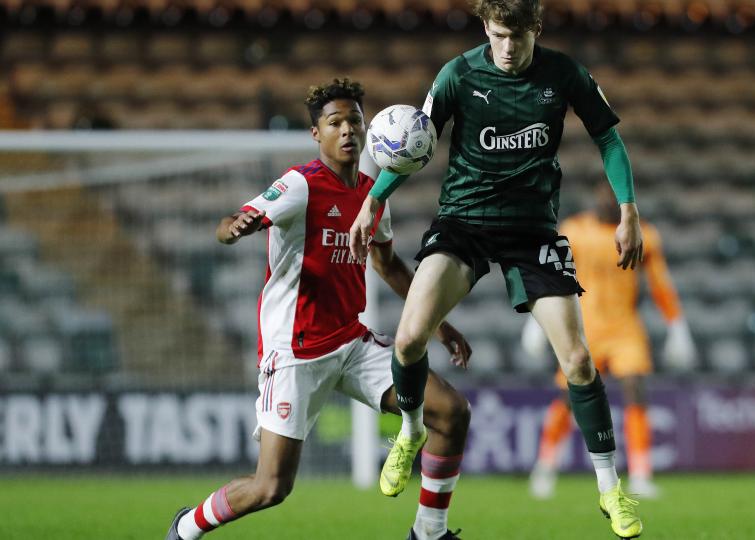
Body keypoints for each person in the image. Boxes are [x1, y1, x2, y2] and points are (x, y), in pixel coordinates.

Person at [349, 1, 644, 537]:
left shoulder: (564, 73)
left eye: (516, 36)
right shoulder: (458, 73)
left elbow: (607, 137)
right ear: (486, 27)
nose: (506, 48)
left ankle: (611, 490)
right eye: (497, 34)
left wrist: (628, 209)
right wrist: (372, 199)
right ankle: (411, 433)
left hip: (533, 232)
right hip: (464, 223)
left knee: (578, 361)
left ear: (535, 28)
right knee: (410, 338)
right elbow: (416, 143)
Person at [165, 79, 471, 540]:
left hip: (350, 340)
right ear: (317, 135)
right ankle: (187, 526)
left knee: (450, 411)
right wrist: (236, 228)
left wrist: (438, 325)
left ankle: (429, 532)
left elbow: (387, 264)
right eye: (335, 123)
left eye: (354, 121)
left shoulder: (372, 194)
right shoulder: (299, 185)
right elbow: (225, 226)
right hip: (296, 350)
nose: (347, 130)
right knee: (271, 487)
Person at [526, 177, 697, 500]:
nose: (609, 200)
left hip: (624, 326)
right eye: (605, 193)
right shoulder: (575, 230)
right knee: (570, 397)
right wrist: (536, 321)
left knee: (635, 386)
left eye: (617, 196)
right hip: (583, 325)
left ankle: (642, 474)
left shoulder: (642, 234)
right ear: (596, 195)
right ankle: (546, 466)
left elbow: (660, 283)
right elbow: (551, 273)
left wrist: (677, 326)